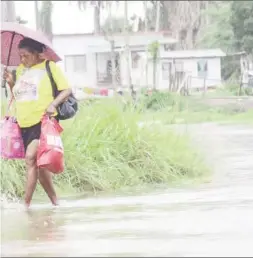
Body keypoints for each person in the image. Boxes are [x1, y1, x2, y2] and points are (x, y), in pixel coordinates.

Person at [3, 37, 72, 208]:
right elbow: (19, 95)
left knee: (30, 158)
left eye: (25, 55)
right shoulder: (20, 70)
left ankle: (25, 205)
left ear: (37, 54)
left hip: (43, 122)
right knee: (41, 169)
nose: (22, 59)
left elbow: (67, 90)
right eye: (20, 56)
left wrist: (53, 104)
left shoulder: (49, 66)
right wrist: (12, 84)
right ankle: (55, 202)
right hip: (24, 124)